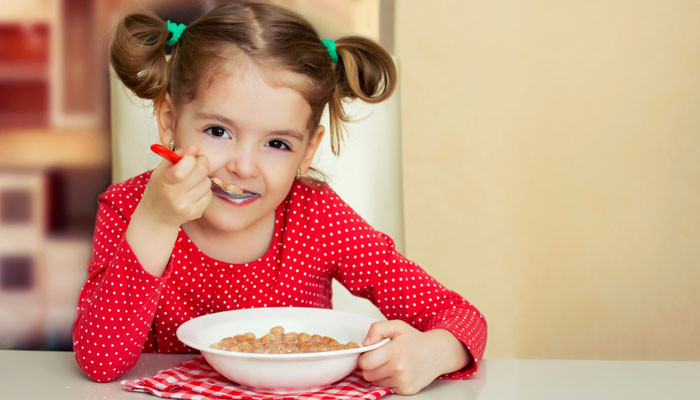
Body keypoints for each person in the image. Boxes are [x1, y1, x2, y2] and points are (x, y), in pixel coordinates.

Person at [73, 1, 487, 395]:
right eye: (218, 131)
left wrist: (432, 353)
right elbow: (99, 361)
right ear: (168, 121)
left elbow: (462, 317)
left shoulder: (318, 218)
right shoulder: (130, 208)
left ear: (307, 151)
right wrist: (155, 222)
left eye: (276, 143)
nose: (244, 167)